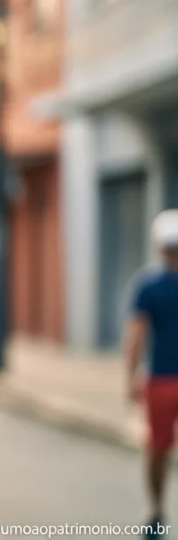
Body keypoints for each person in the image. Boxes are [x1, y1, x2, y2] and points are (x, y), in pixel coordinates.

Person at [127, 209, 178, 540]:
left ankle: (158, 513)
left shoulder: (148, 287)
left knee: (157, 449)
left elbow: (137, 337)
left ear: (159, 247)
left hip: (160, 380)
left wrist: (130, 378)